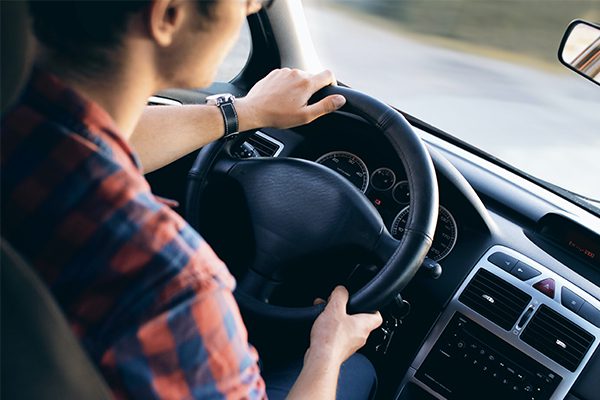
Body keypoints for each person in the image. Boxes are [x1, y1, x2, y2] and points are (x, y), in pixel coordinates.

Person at [1, 0, 383, 399]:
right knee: (356, 370)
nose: (251, 9)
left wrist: (245, 112)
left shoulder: (20, 126)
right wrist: (327, 351)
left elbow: (98, 139)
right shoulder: (170, 284)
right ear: (168, 15)